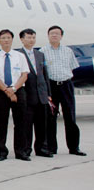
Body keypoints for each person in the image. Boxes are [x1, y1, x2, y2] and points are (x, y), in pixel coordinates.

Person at [40, 26, 86, 156]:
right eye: (51, 34)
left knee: (70, 117)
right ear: (48, 36)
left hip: (66, 85)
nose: (54, 36)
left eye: (57, 34)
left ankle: (74, 147)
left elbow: (72, 68)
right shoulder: (43, 52)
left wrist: (64, 79)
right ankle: (51, 148)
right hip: (51, 86)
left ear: (61, 36)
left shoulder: (68, 51)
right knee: (50, 118)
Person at [0, 29, 30, 161]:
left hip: (19, 91)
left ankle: (21, 151)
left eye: (8, 38)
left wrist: (13, 89)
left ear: (12, 40)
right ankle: (1, 152)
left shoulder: (20, 56)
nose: (6, 40)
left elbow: (24, 75)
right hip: (1, 92)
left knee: (21, 122)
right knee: (1, 122)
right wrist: (7, 90)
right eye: (3, 38)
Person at [18, 28, 53, 158]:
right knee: (26, 125)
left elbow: (44, 75)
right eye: (28, 37)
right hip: (27, 95)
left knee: (41, 125)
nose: (31, 40)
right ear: (22, 39)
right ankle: (26, 149)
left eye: (33, 37)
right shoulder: (18, 55)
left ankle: (41, 148)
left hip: (41, 95)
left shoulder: (40, 55)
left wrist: (48, 93)